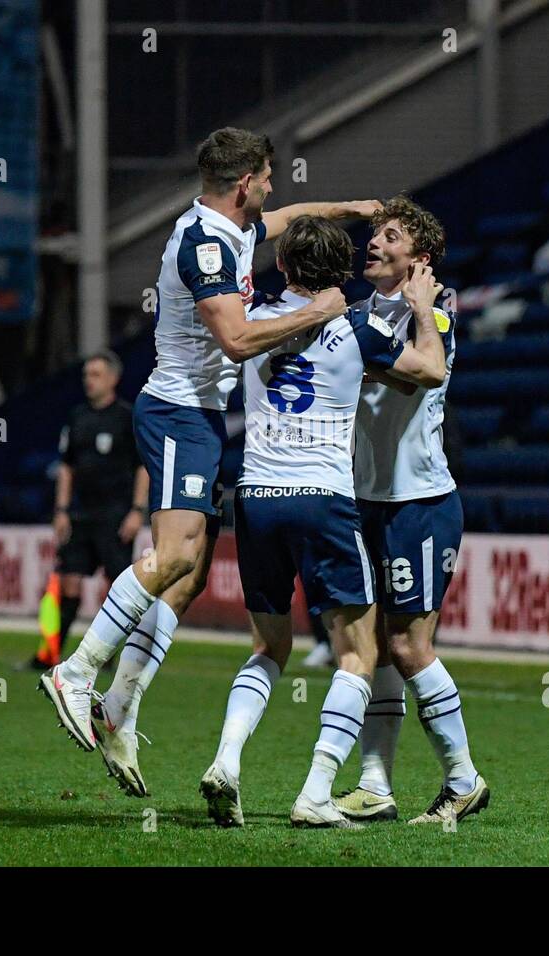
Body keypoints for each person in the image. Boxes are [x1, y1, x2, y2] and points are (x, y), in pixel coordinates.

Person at [39, 126, 380, 797]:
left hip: (200, 420)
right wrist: (320, 310)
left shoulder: (236, 228)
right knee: (171, 557)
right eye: (269, 178)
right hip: (177, 412)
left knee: (189, 576)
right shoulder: (205, 244)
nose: (274, 190)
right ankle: (75, 672)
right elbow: (238, 340)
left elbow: (292, 217)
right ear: (246, 181)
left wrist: (358, 209)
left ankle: (120, 707)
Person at [197, 216, 448, 828]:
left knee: (268, 646)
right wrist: (422, 310)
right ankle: (315, 791)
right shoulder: (358, 326)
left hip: (255, 497)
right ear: (341, 272)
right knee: (358, 653)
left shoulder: (251, 320)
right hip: (323, 499)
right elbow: (430, 370)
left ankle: (227, 758)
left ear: (282, 266)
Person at [321, 196, 488, 827]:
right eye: (374, 233)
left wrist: (416, 309)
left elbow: (426, 372)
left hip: (418, 503)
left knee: (408, 644)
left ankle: (463, 780)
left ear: (421, 258)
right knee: (374, 646)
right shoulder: (356, 314)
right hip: (366, 500)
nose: (374, 242)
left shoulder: (436, 314)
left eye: (391, 236)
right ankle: (375, 785)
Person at [26, 353, 148, 672]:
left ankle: (105, 656)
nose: (88, 380)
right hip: (81, 513)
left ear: (113, 378)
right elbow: (66, 467)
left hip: (116, 514)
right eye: (86, 374)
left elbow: (143, 467)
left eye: (95, 374)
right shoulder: (77, 417)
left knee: (116, 586)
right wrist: (61, 510)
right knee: (66, 582)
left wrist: (137, 511)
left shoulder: (127, 417)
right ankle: (48, 653)